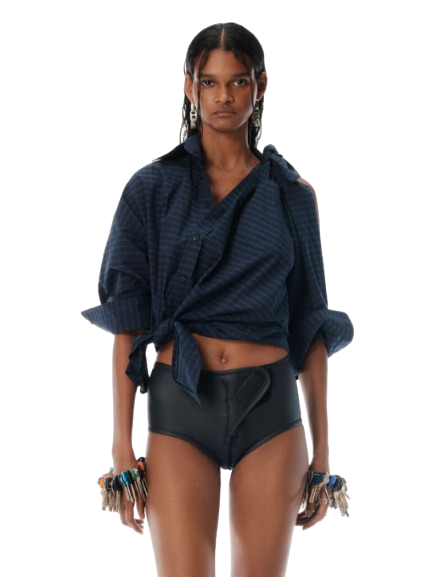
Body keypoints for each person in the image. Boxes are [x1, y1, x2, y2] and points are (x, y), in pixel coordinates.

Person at [82, 22, 354, 577]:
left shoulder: (292, 195)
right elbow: (127, 321)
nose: (223, 96)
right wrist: (119, 445)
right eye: (209, 82)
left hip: (271, 410)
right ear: (189, 87)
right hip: (180, 405)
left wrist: (324, 451)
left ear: (261, 85)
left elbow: (311, 325)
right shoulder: (150, 189)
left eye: (238, 81)